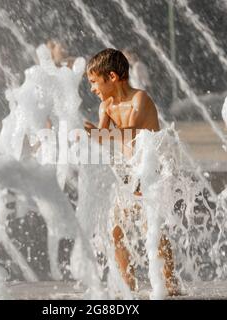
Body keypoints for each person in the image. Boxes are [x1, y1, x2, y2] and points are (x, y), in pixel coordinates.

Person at [83, 48, 180, 296]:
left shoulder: (140, 100)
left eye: (94, 82)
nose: (92, 88)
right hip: (128, 172)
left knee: (153, 230)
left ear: (112, 77)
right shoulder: (106, 107)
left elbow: (131, 133)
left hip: (150, 172)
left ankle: (169, 284)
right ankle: (128, 286)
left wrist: (96, 133)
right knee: (116, 230)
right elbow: (103, 140)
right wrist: (85, 133)